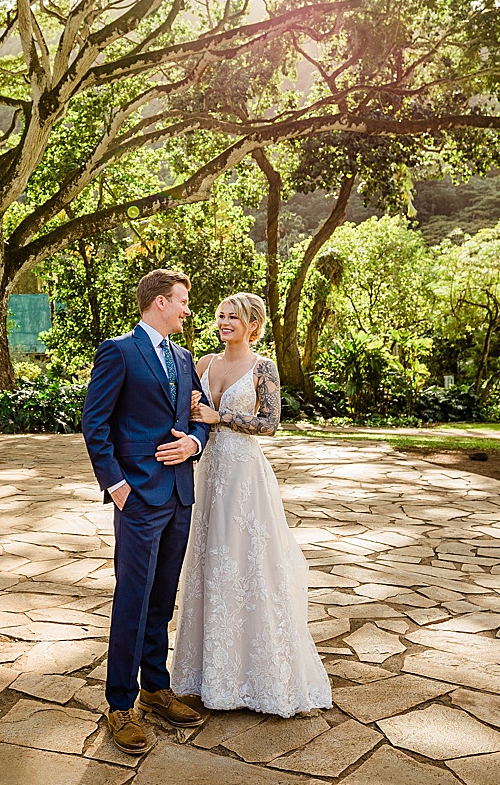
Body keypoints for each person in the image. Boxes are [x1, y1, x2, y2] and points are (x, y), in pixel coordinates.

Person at [172, 292, 332, 716]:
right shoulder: (202, 363)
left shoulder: (264, 367)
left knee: (247, 564)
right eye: (220, 315)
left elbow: (271, 424)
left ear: (252, 325)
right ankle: (205, 676)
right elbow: (187, 411)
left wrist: (219, 417)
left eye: (233, 317)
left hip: (244, 475)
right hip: (206, 474)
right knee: (208, 563)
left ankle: (256, 676)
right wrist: (190, 410)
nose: (224, 322)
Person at [81, 269, 213, 754]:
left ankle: (154, 688)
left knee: (162, 598)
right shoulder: (118, 351)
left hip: (179, 495)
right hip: (137, 498)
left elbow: (198, 419)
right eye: (182, 302)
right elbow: (95, 423)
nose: (187, 310)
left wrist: (193, 446)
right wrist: (116, 486)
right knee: (133, 600)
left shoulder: (183, 357)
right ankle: (120, 704)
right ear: (159, 302)